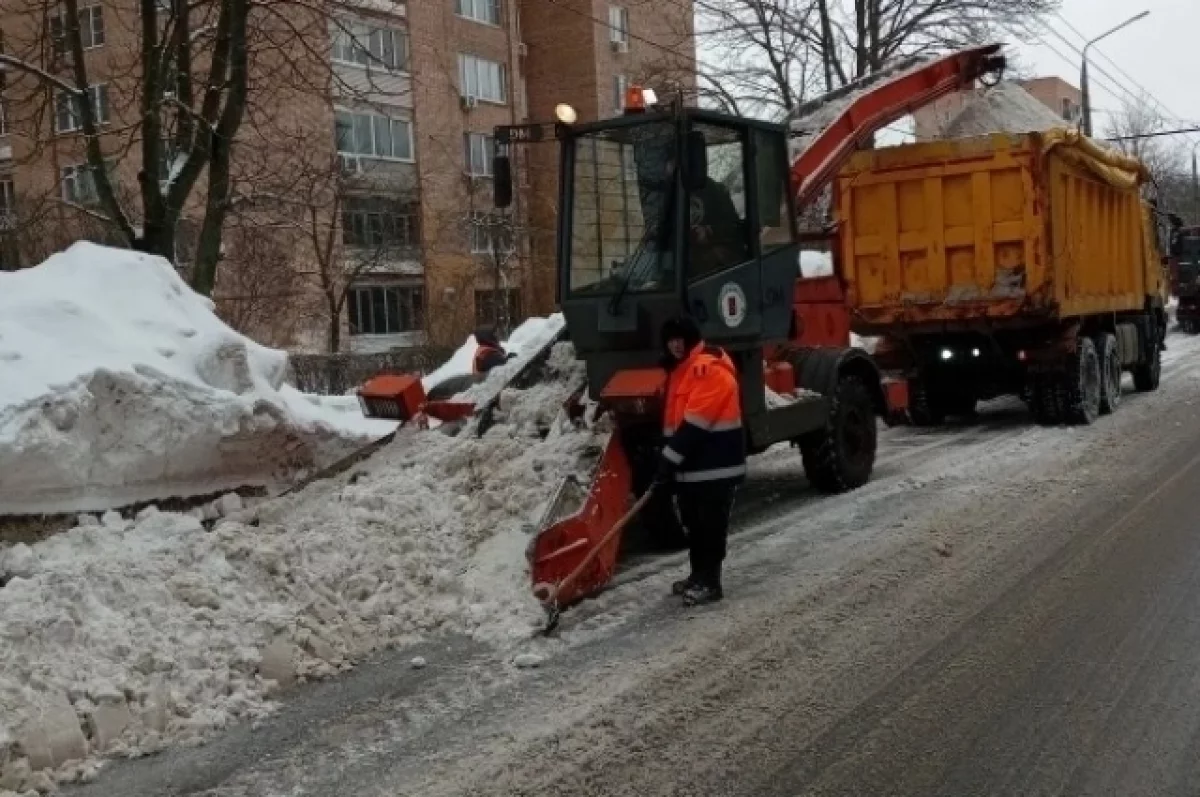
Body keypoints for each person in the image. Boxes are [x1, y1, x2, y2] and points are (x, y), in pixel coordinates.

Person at [654, 315, 746, 606]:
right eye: (671, 341)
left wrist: (667, 461)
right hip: (692, 468)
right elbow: (674, 425)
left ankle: (711, 582)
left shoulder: (709, 369)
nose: (676, 346)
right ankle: (697, 576)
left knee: (710, 526)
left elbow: (694, 424)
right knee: (693, 524)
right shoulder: (680, 371)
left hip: (715, 466)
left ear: (691, 339)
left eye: (680, 339)